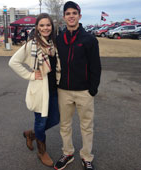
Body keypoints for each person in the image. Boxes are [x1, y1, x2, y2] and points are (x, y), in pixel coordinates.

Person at [8, 13, 61, 167]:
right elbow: (13, 62)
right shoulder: (32, 44)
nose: (45, 28)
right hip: (39, 90)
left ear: (52, 26)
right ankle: (42, 151)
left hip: (54, 89)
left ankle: (31, 134)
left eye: (48, 25)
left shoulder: (54, 44)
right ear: (37, 27)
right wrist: (30, 75)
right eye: (42, 25)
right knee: (41, 121)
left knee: (55, 119)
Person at [54, 1, 101, 170]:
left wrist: (93, 89)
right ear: (64, 17)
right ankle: (67, 153)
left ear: (79, 16)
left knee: (86, 126)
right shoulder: (59, 39)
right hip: (64, 91)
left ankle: (87, 156)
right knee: (65, 125)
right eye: (68, 13)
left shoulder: (89, 39)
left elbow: (96, 65)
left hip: (84, 91)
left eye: (74, 13)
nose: (71, 16)